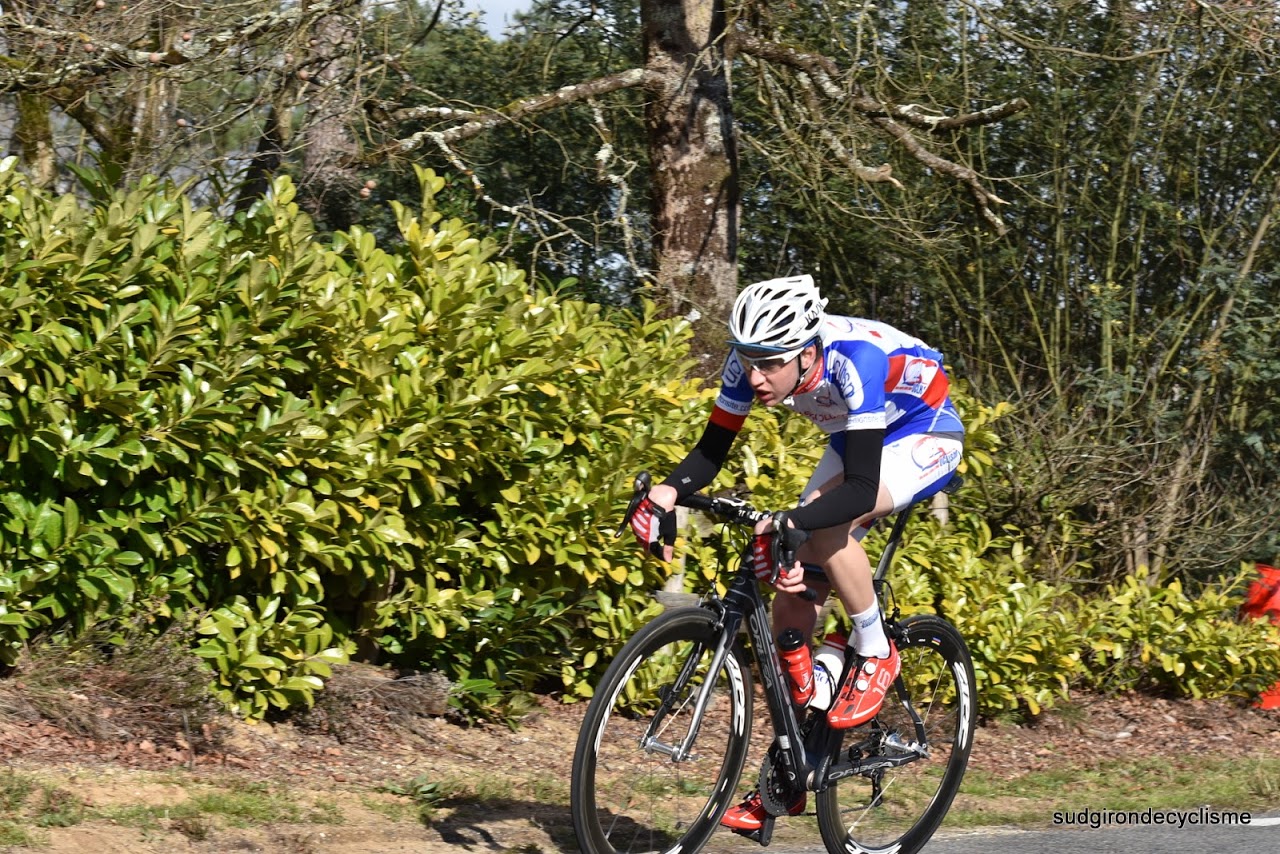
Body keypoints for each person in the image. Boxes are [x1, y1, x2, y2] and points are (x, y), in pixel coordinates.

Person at [629, 274, 964, 831]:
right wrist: (665, 493)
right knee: (791, 590)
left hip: (923, 428)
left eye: (769, 364)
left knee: (823, 526)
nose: (755, 377)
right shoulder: (751, 361)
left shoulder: (854, 359)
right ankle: (796, 756)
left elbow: (861, 489)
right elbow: (711, 452)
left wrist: (793, 521)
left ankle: (876, 650)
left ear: (807, 352)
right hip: (858, 434)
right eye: (747, 361)